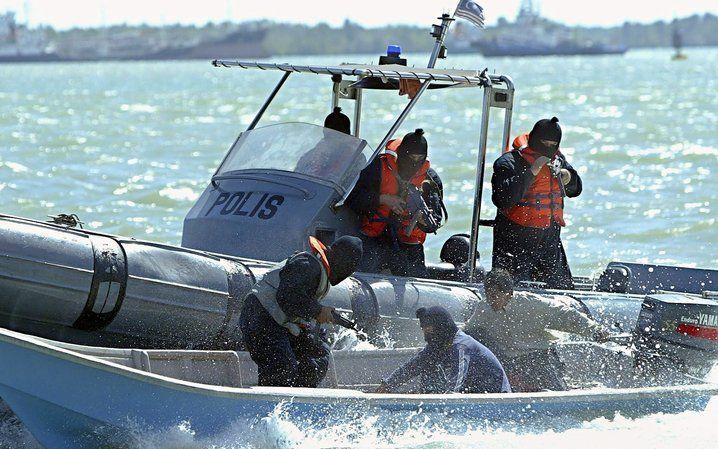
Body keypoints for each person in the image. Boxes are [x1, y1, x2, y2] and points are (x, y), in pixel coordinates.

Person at [238, 235, 362, 387]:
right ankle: (271, 406)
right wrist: (318, 311)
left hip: (278, 321)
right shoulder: (307, 264)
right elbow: (287, 296)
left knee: (317, 354)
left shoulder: (318, 268)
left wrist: (314, 318)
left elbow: (296, 304)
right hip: (260, 317)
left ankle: (299, 399)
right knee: (282, 367)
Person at [465, 269, 611, 392]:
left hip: (538, 356)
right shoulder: (483, 308)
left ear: (509, 293)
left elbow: (565, 314)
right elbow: (467, 332)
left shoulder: (531, 304)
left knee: (556, 393)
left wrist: (594, 330)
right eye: (488, 295)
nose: (491, 301)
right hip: (508, 359)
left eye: (495, 296)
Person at [491, 116, 582, 289]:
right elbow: (502, 199)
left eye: (552, 145)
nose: (547, 149)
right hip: (515, 240)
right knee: (513, 291)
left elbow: (576, 190)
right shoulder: (508, 163)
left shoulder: (558, 160)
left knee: (562, 289)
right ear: (533, 139)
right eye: (543, 143)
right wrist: (533, 170)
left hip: (549, 240)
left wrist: (568, 177)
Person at [347, 128, 445, 278]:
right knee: (363, 274)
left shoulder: (429, 180)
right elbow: (353, 199)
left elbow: (435, 221)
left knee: (416, 278)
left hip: (408, 245)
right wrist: (383, 199)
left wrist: (421, 220)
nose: (415, 163)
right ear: (401, 153)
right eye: (411, 158)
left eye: (420, 158)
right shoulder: (378, 167)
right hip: (374, 239)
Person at [375, 306, 510, 394]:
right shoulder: (437, 345)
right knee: (427, 365)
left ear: (441, 328)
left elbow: (455, 384)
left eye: (428, 330)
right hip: (473, 393)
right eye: (423, 330)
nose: (425, 335)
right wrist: (386, 386)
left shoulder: (461, 346)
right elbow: (412, 367)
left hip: (496, 397)